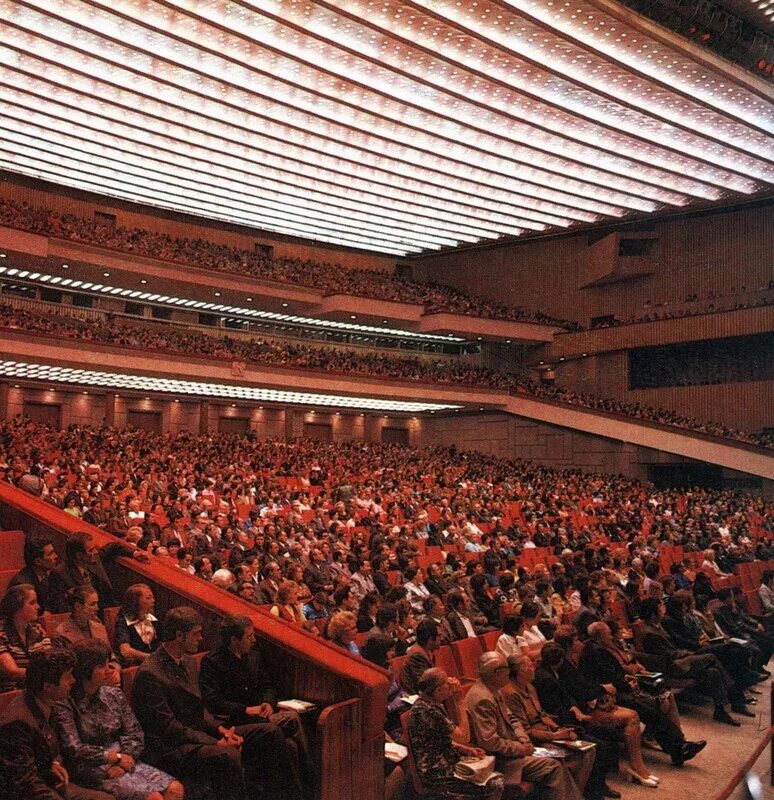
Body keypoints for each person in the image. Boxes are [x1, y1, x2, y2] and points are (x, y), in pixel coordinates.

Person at [131, 606, 300, 800]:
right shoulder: (150, 673)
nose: (201, 638)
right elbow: (168, 728)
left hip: (197, 734)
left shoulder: (187, 661)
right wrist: (216, 742)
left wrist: (222, 731)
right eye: (196, 634)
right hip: (171, 747)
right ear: (179, 635)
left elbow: (200, 710)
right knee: (228, 755)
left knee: (270, 732)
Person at [51, 640, 183, 800]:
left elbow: (134, 732)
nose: (109, 671)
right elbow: (74, 748)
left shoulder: (113, 694)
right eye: (101, 666)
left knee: (175, 789)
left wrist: (125, 759)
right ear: (85, 671)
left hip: (125, 761)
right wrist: (114, 757)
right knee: (153, 798)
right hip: (91, 769)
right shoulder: (66, 703)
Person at [199, 615, 308, 798]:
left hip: (260, 714)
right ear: (234, 640)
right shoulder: (212, 662)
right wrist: (245, 709)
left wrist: (267, 702)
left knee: (293, 719)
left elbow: (268, 685)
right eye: (249, 636)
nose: (254, 640)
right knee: (286, 743)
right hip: (235, 721)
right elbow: (212, 700)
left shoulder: (254, 656)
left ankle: (307, 781)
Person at [0, 648, 113, 800]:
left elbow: (48, 751)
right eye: (67, 677)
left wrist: (53, 764)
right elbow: (24, 783)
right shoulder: (17, 723)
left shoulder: (47, 701)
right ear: (48, 687)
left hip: (48, 780)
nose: (73, 680)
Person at [466, 651, 582, 799]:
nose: (510, 673)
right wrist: (521, 748)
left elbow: (513, 719)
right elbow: (489, 742)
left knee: (565, 757)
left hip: (514, 748)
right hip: (501, 760)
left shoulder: (493, 689)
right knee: (553, 766)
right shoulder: (482, 699)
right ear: (497, 672)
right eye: (507, 669)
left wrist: (524, 739)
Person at [503, 654, 615, 800]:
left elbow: (542, 714)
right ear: (520, 670)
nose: (534, 667)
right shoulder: (511, 694)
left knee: (589, 751)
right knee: (573, 758)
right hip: (536, 741)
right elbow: (526, 731)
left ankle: (576, 794)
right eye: (530, 665)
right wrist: (556, 736)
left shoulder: (529, 686)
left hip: (549, 733)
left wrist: (558, 729)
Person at [639, 597, 741, 725]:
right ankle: (734, 692)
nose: (663, 610)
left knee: (713, 672)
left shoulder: (656, 627)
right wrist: (687, 652)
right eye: (660, 607)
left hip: (679, 660)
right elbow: (668, 654)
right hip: (673, 666)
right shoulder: (650, 633)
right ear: (653, 613)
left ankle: (720, 710)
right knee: (711, 657)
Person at [407, 667, 504, 800]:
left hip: (445, 761)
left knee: (492, 769)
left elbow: (438, 739)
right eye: (446, 682)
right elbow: (464, 736)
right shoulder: (428, 710)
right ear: (438, 690)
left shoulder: (428, 703)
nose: (451, 683)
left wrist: (465, 749)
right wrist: (459, 700)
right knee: (496, 783)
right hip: (438, 774)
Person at [0, 582, 51, 692]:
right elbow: (13, 672)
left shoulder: (37, 630)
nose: (38, 607)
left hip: (36, 690)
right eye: (32, 603)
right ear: (16, 607)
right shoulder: (2, 635)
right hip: (12, 695)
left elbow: (49, 659)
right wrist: (46, 674)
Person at [9, 533, 59, 612]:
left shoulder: (47, 575)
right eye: (50, 554)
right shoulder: (22, 584)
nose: (56, 556)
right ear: (38, 561)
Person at [113, 584, 159, 665]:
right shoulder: (123, 622)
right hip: (136, 666)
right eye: (148, 598)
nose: (153, 601)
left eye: (153, 597)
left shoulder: (153, 619)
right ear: (135, 602)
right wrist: (150, 658)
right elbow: (125, 651)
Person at [400, 619, 440, 695]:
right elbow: (424, 685)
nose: (442, 638)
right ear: (430, 639)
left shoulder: (427, 651)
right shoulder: (417, 655)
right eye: (439, 636)